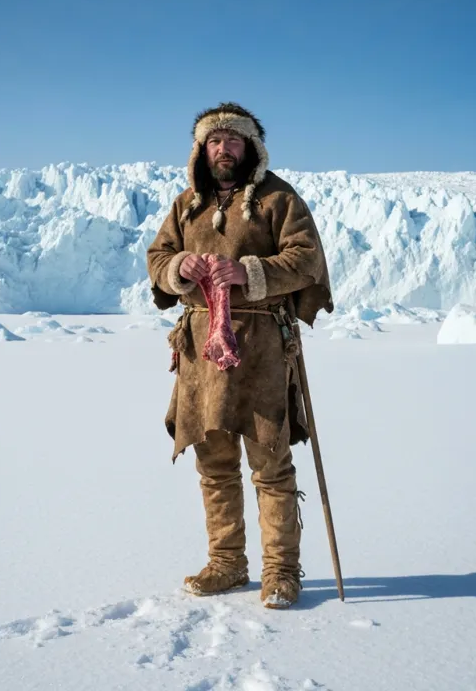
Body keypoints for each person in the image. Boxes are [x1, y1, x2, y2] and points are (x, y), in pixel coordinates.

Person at [146, 102, 333, 609]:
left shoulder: (278, 198)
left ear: (250, 147)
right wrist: (178, 268)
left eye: (232, 140)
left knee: (271, 464)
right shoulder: (186, 205)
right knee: (214, 463)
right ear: (201, 150)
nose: (223, 149)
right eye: (214, 141)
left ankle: (281, 572)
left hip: (262, 348)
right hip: (200, 353)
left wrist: (249, 273)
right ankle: (227, 564)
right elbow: (157, 258)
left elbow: (306, 259)